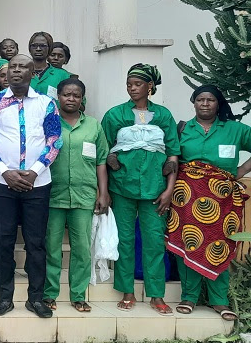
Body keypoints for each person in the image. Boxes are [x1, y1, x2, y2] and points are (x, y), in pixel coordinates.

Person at [0, 54, 62, 319]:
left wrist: (35, 171)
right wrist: (6, 172)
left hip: (38, 183)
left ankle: (36, 299)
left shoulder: (47, 103)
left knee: (36, 243)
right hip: (1, 183)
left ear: (32, 73)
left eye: (22, 67)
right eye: (12, 67)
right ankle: (5, 298)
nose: (16, 71)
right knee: (3, 241)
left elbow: (54, 141)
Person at [102, 63, 179, 316]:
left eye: (137, 84)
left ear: (150, 86)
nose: (132, 88)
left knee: (155, 240)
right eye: (129, 84)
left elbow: (172, 155)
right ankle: (127, 291)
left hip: (156, 189)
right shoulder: (115, 114)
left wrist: (169, 190)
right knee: (125, 240)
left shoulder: (164, 115)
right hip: (122, 186)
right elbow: (104, 150)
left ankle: (156, 294)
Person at [170, 85, 250, 321]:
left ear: (218, 104)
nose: (205, 104)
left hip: (223, 198)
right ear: (194, 103)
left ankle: (219, 301)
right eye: (200, 100)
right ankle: (189, 297)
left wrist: (241, 170)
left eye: (210, 100)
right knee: (189, 242)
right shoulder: (183, 130)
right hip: (187, 196)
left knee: (220, 245)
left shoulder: (234, 130)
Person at [43, 78, 110, 313]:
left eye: (76, 95)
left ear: (82, 98)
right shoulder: (48, 123)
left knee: (81, 247)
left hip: (84, 195)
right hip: (52, 194)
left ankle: (78, 295)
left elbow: (101, 160)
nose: (71, 99)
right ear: (58, 97)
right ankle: (49, 293)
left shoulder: (93, 125)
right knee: (51, 246)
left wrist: (103, 193)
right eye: (66, 95)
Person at [27, 32, 70, 97]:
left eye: (43, 46)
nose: (38, 49)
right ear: (29, 49)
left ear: (49, 49)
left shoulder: (62, 75)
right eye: (34, 46)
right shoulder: (22, 72)